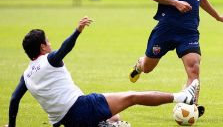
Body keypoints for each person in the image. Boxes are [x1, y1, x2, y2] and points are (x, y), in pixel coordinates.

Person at [6, 16, 199, 127]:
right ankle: (183, 97)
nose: (50, 43)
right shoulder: (49, 60)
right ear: (42, 47)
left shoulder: (26, 75)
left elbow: (14, 99)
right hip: (82, 106)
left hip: (68, 121)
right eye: (47, 41)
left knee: (115, 118)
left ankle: (104, 125)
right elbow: (66, 48)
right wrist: (77, 31)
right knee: (133, 97)